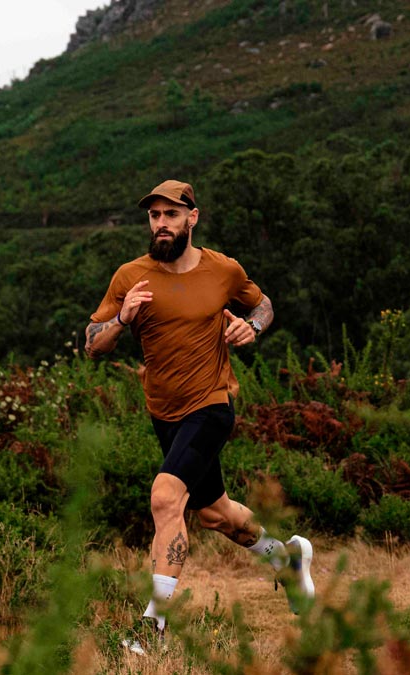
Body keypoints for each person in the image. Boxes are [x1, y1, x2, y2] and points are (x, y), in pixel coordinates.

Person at [85, 179, 314, 655]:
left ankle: (153, 627)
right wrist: (122, 320)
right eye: (154, 216)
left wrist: (251, 328)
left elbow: (265, 305)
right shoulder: (130, 276)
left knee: (166, 497)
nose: (161, 224)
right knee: (216, 514)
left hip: (211, 405)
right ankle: (288, 559)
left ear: (193, 217)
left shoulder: (222, 271)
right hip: (164, 414)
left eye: (171, 214)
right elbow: (92, 344)